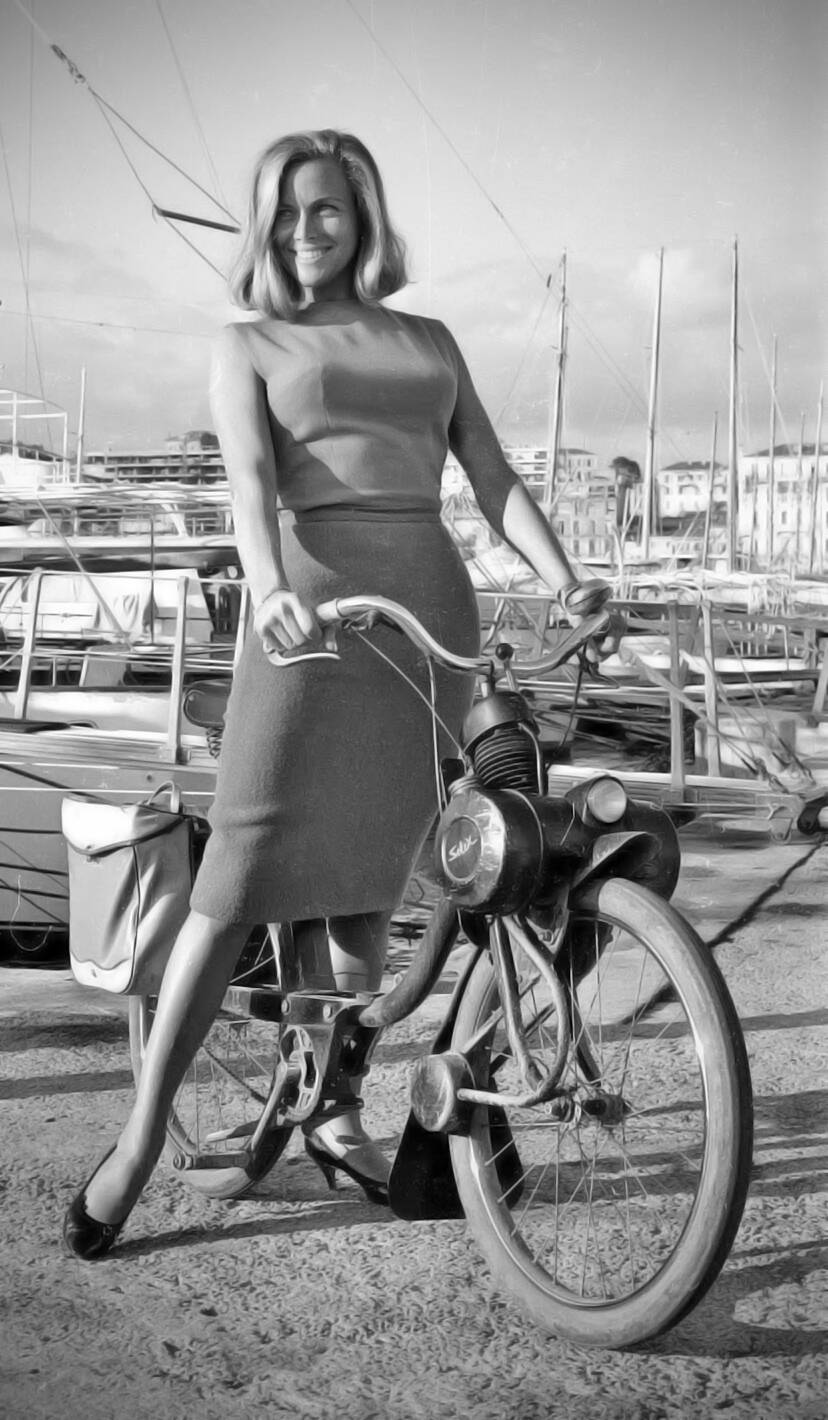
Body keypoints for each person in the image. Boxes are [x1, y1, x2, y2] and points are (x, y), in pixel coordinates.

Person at [63, 128, 613, 1260]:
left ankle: (333, 1108)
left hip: (428, 605)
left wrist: (569, 580)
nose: (304, 230)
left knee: (373, 875)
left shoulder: (430, 339)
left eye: (325, 208)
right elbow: (250, 481)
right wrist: (267, 584)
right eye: (285, 212)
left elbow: (491, 476)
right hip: (304, 611)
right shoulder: (249, 343)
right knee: (235, 878)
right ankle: (139, 1137)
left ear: (362, 214)